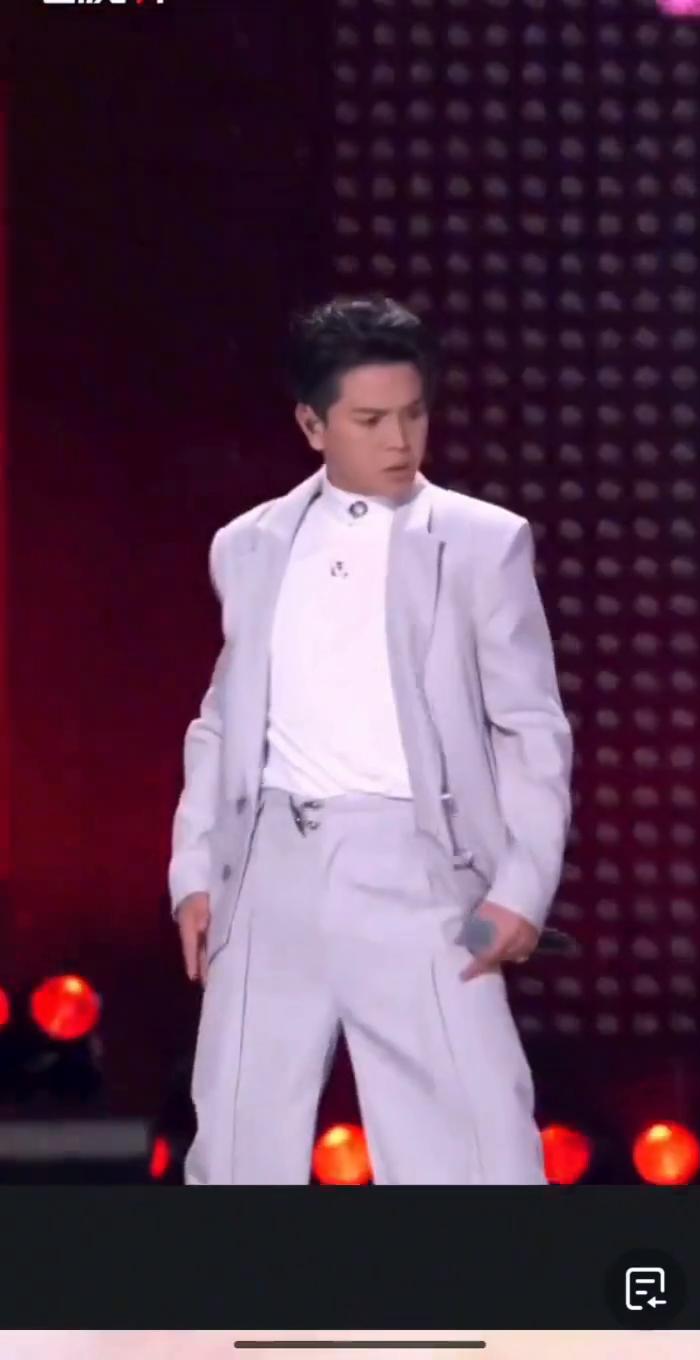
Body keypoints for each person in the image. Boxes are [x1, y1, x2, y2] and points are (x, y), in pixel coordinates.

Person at [168, 295, 573, 1185]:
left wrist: (521, 886)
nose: (399, 440)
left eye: (413, 414)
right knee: (238, 1141)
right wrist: (194, 870)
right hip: (268, 867)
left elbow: (530, 727)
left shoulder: (480, 542)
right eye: (370, 420)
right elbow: (223, 719)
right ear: (312, 425)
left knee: (473, 1145)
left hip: (414, 864)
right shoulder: (249, 544)